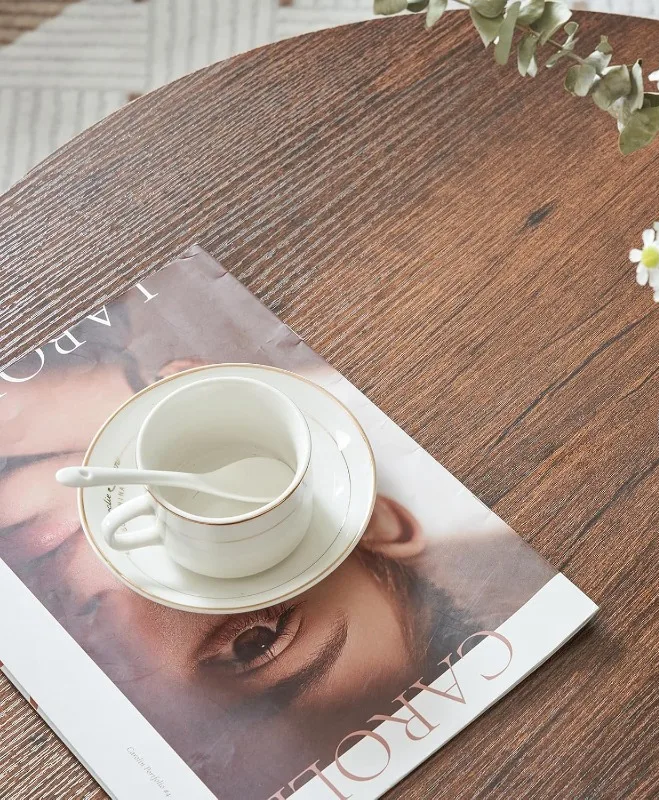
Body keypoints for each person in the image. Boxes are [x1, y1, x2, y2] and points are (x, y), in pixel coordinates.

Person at [0, 265, 552, 797]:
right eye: (255, 639)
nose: (111, 628)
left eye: (127, 689)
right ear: (372, 524)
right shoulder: (84, 303)